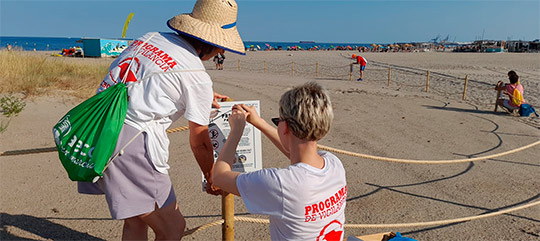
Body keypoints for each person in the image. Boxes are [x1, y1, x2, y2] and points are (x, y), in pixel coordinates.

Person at [77, 0, 246, 240]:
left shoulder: (151, 37)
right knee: (172, 227)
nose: (222, 52)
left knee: (135, 220)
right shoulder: (196, 75)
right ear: (211, 42)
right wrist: (212, 176)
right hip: (131, 143)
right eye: (220, 47)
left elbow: (143, 82)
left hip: (100, 126)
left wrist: (200, 97)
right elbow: (199, 140)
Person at [213, 82, 347, 240]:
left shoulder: (281, 183)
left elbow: (219, 176)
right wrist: (259, 122)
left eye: (278, 121)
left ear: (286, 128)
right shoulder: (334, 164)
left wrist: (236, 130)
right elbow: (295, 152)